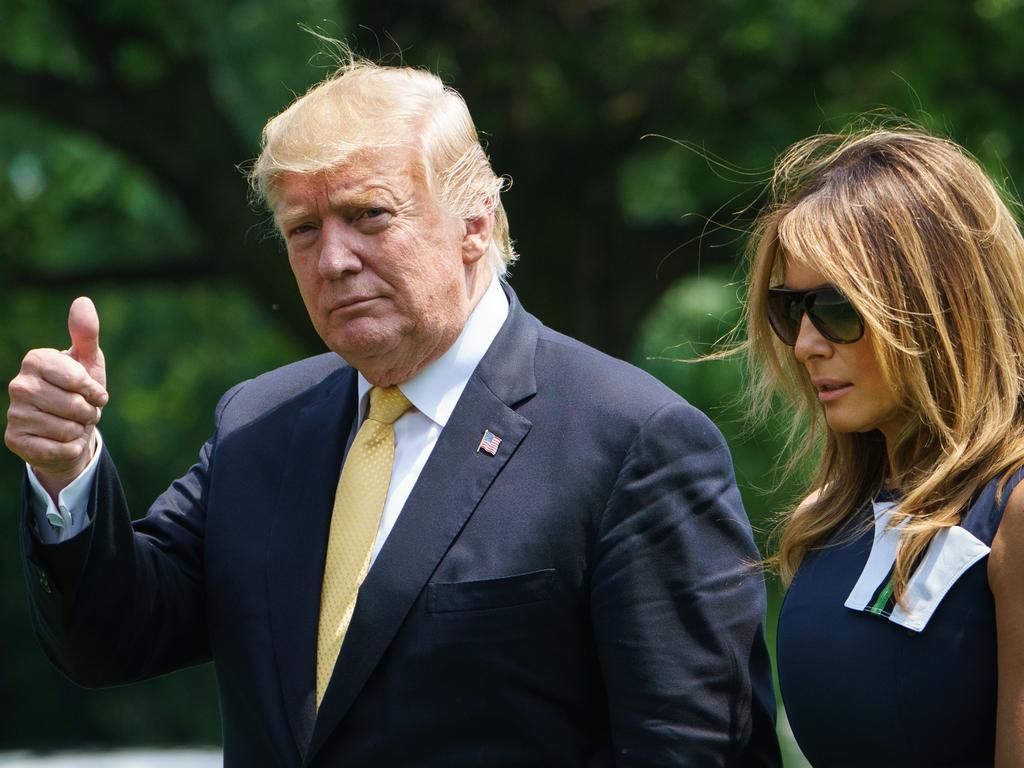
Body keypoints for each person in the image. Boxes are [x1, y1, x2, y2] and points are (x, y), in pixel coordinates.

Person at [5, 55, 780, 767]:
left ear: (474, 224)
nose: (333, 260)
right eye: (303, 230)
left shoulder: (632, 443)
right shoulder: (259, 426)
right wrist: (67, 472)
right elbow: (114, 637)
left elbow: (693, 749)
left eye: (368, 215)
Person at [743, 126, 1024, 766]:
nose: (806, 343)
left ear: (938, 307)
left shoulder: (1015, 509)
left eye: (836, 308)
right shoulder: (830, 515)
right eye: (792, 309)